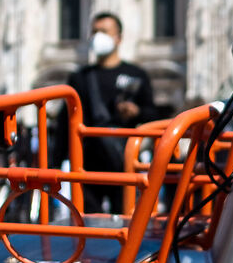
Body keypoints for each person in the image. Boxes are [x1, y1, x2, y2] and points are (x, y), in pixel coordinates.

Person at [50, 14, 157, 198]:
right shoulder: (80, 77)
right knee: (87, 214)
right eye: (94, 32)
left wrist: (136, 112)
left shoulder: (136, 74)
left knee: (125, 214)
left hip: (124, 161)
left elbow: (153, 114)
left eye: (104, 32)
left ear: (118, 38)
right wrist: (54, 164)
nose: (97, 37)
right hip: (87, 163)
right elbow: (65, 120)